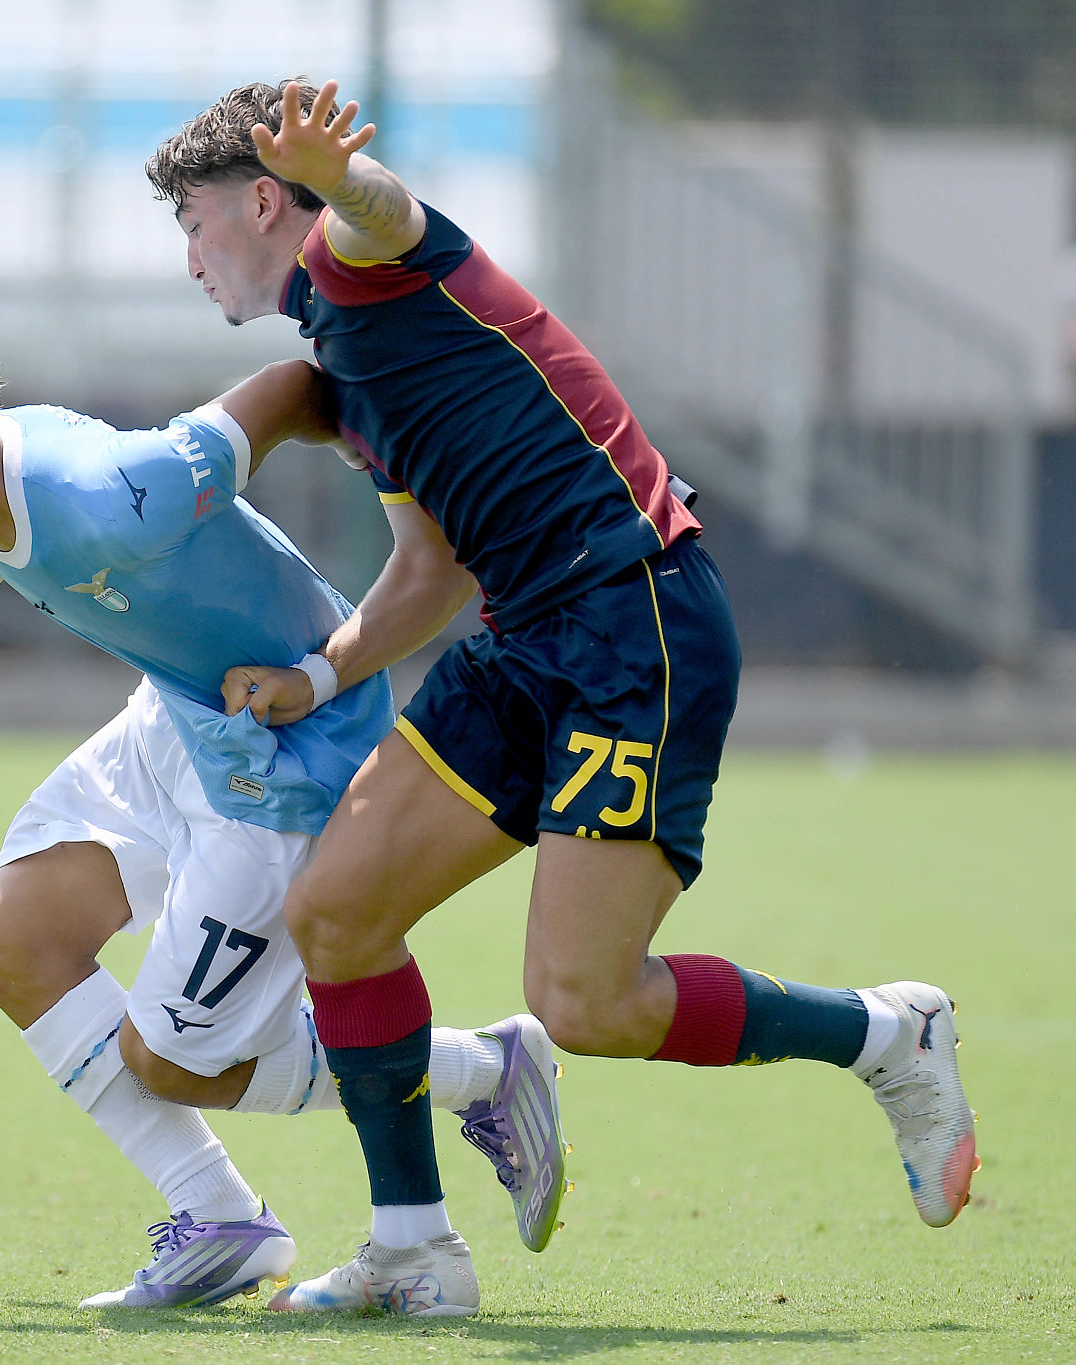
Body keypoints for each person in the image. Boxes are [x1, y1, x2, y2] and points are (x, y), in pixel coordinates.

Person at [145, 80, 978, 1317]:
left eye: (194, 224)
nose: (189, 259)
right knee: (336, 912)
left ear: (264, 202)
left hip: (632, 618)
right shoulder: (343, 360)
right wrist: (317, 677)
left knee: (586, 1003)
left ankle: (884, 1036)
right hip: (525, 638)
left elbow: (381, 210)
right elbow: (429, 572)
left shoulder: (355, 258)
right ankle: (412, 1249)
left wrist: (342, 177)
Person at [0, 283, 564, 1311]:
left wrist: (392, 484)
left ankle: (483, 1069)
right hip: (181, 722)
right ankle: (218, 1222)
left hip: (281, 758)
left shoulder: (110, 493)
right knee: (15, 939)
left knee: (170, 1065)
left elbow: (290, 387)